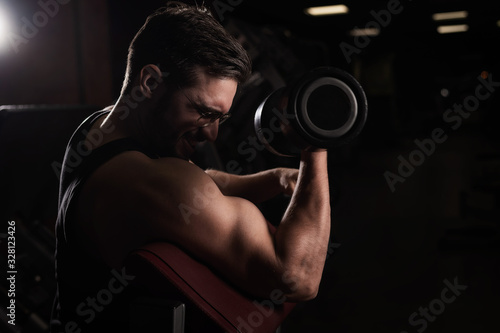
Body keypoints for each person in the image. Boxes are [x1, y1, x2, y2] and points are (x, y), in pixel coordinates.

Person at [51, 2, 331, 332]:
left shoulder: (99, 127)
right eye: (204, 112)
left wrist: (279, 178)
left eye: (221, 118)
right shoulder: (149, 186)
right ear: (151, 83)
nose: (211, 134)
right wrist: (314, 140)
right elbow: (298, 278)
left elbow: (200, 182)